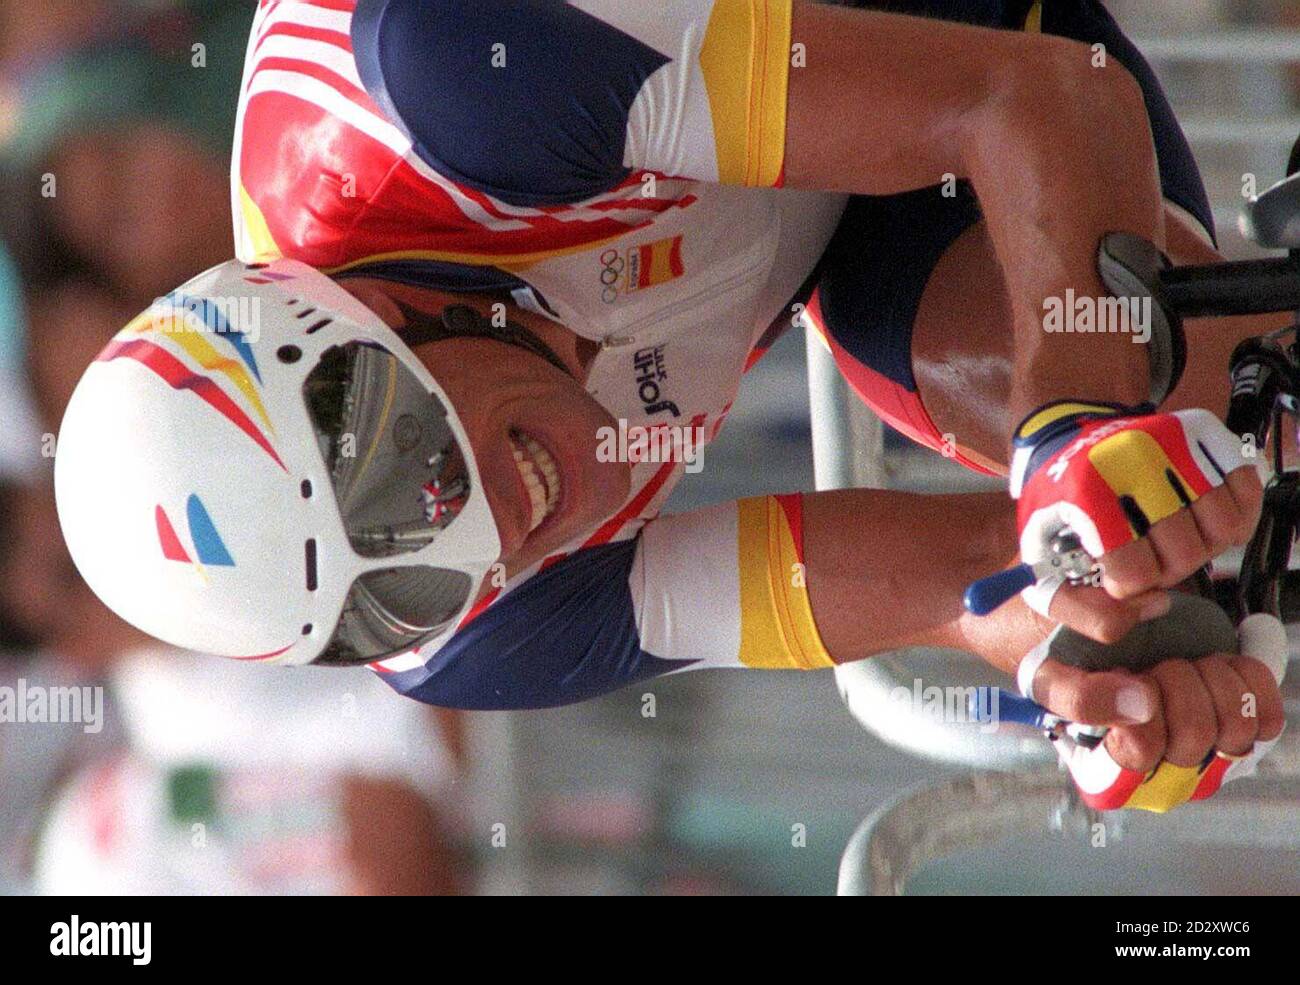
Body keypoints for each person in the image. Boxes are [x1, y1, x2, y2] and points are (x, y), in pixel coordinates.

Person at [54, 0, 1287, 813]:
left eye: (417, 479)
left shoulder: (442, 93)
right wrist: (1101, 669)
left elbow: (1030, 95)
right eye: (408, 588)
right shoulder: (476, 635)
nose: (499, 530)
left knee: (1123, 391)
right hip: (831, 210)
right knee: (1191, 454)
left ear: (362, 315)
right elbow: (973, 585)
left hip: (883, 41)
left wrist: (1072, 418)